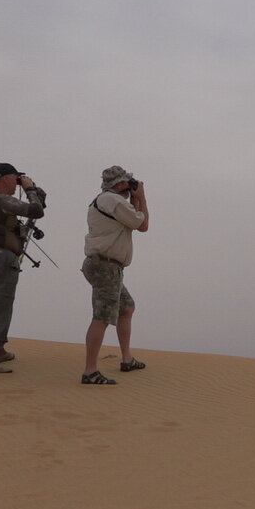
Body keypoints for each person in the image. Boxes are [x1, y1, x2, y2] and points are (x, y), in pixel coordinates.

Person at [0, 162, 45, 374]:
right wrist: (30, 189)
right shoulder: (0, 199)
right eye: (16, 178)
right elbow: (36, 210)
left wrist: (31, 189)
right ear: (5, 178)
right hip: (0, 257)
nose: (17, 183)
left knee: (1, 305)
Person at [81, 165, 149, 385]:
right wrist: (142, 197)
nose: (130, 185)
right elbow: (143, 224)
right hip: (105, 267)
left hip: (107, 266)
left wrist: (134, 199)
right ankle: (90, 371)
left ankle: (127, 359)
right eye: (127, 182)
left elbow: (133, 220)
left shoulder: (110, 201)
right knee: (102, 317)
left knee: (126, 307)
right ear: (119, 184)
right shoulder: (112, 200)